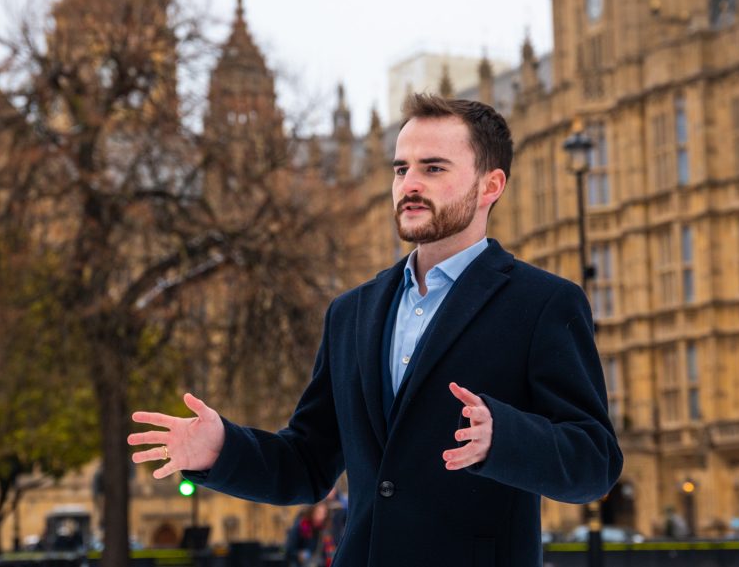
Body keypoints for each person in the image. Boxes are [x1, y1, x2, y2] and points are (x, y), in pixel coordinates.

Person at [129, 95, 623, 566]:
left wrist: (505, 438)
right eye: (400, 168)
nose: (409, 183)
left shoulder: (541, 303)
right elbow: (307, 463)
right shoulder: (351, 312)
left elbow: (594, 462)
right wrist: (223, 450)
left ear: (490, 186)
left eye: (433, 168)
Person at [284, 501, 336, 567]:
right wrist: (299, 555)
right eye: (319, 512)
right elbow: (288, 551)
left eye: (324, 513)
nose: (322, 517)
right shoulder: (300, 527)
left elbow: (327, 554)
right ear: (312, 512)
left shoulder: (324, 531)